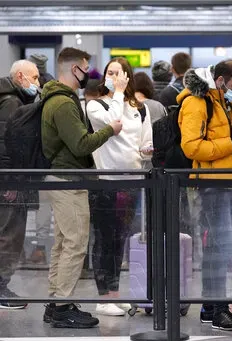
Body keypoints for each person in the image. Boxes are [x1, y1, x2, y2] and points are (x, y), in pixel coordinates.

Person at [41, 47, 122, 329]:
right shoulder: (62, 103)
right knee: (75, 244)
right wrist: (110, 130)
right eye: (85, 67)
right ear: (74, 69)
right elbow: (80, 144)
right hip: (67, 180)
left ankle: (56, 302)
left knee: (64, 242)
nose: (89, 73)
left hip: (63, 178)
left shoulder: (57, 98)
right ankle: (62, 305)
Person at [178, 60, 232, 331]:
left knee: (216, 248)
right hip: (211, 184)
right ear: (220, 80)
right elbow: (191, 147)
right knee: (221, 247)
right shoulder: (197, 103)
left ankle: (211, 308)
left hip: (224, 183)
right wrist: (230, 144)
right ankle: (218, 309)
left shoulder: (223, 101)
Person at [87, 57, 153, 317]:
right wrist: (117, 92)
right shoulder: (96, 105)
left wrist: (147, 151)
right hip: (105, 182)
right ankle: (103, 297)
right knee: (104, 238)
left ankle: (114, 292)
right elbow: (113, 122)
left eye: (119, 73)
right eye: (109, 72)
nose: (114, 76)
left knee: (120, 238)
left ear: (128, 75)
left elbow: (145, 142)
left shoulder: (140, 108)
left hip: (132, 180)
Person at [0, 59, 40, 309]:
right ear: (20, 78)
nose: (38, 82)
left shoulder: (12, 100)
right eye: (34, 78)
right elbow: (6, 145)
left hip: (10, 178)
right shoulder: (11, 103)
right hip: (10, 181)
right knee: (9, 234)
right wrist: (11, 180)